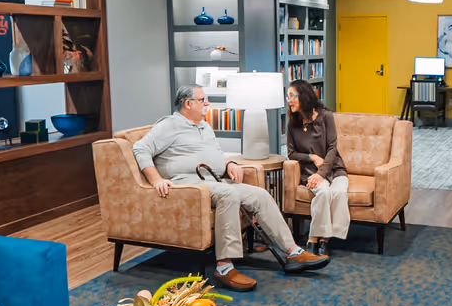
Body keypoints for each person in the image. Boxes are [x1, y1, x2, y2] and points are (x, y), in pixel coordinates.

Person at [135, 85, 330, 292]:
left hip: (213, 181)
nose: (207, 103)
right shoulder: (169, 125)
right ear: (188, 104)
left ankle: (293, 252)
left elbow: (217, 154)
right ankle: (224, 267)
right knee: (228, 194)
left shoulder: (204, 126)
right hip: (188, 184)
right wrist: (156, 179)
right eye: (202, 99)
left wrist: (229, 164)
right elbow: (140, 148)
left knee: (260, 195)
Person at [285, 80, 350, 251]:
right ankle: (316, 239)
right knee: (323, 192)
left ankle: (323, 239)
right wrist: (312, 157)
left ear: (303, 96)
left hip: (334, 169)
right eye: (287, 97)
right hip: (309, 171)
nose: (289, 101)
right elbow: (291, 153)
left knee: (339, 192)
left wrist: (321, 174)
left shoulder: (326, 116)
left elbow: (332, 148)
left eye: (292, 96)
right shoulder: (293, 123)